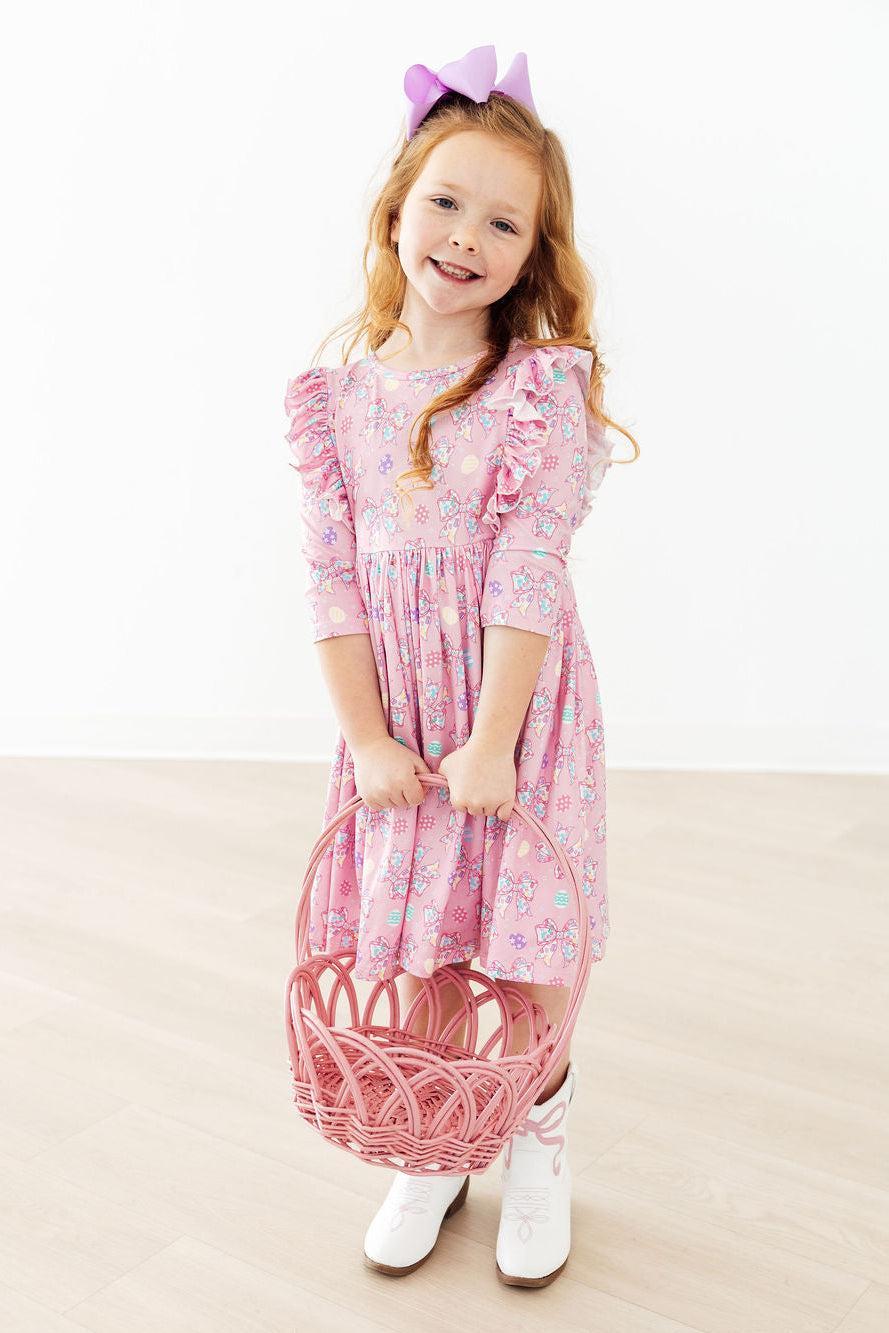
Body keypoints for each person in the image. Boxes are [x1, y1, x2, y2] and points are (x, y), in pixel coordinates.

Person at [283, 44, 639, 1288]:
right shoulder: (334, 403)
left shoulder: (537, 391)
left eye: (503, 222)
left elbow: (526, 573)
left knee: (524, 948)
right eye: (445, 201)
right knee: (424, 942)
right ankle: (439, 1136)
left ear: (531, 255)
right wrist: (369, 739)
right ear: (397, 207)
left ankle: (535, 1133)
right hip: (396, 721)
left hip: (511, 714)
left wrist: (490, 742)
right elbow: (331, 585)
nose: (466, 237)